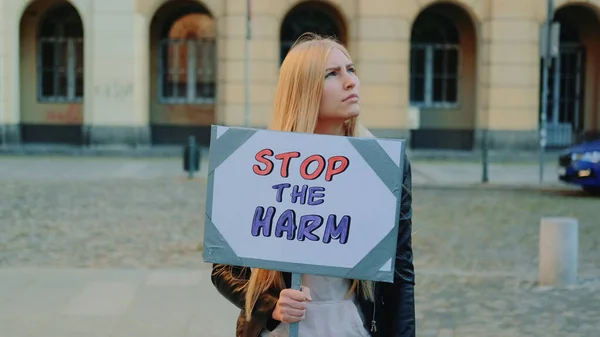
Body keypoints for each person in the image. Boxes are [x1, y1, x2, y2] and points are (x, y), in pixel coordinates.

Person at [211, 33, 415, 337]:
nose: (350, 82)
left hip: (353, 325)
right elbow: (224, 267)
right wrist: (270, 306)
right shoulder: (262, 162)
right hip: (282, 329)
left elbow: (400, 269)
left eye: (351, 69)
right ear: (303, 89)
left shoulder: (381, 166)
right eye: (332, 74)